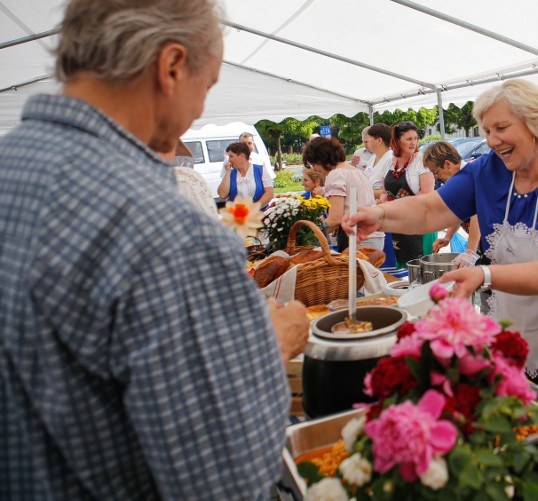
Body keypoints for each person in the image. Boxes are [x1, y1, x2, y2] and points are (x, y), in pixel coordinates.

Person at [0, 1, 309, 499]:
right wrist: (267, 350)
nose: (199, 111)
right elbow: (224, 482)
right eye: (205, 86)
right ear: (170, 67)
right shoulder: (169, 232)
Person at [344, 79, 538, 411]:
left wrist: (483, 275)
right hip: (516, 325)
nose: (492, 140)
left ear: (535, 124)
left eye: (501, 127)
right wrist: (380, 214)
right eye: (486, 130)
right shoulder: (486, 170)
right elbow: (432, 208)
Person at [303, 137, 385, 251]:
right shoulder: (356, 171)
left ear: (321, 159)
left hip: (357, 238)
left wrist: (306, 234)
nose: (314, 168)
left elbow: (334, 219)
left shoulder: (336, 174)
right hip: (372, 236)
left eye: (314, 163)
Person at [381, 121, 435, 265]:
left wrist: (399, 205)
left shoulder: (421, 161)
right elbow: (384, 191)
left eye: (415, 138)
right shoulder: (388, 162)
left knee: (421, 265)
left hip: (421, 222)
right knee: (402, 263)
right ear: (397, 141)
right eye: (408, 139)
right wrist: (383, 201)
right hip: (398, 222)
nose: (413, 143)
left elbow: (427, 193)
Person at [217, 141, 274, 208]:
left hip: (260, 214)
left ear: (242, 156)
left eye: (231, 156)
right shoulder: (230, 173)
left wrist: (253, 208)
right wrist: (228, 172)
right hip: (237, 216)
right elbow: (222, 194)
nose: (229, 160)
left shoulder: (261, 170)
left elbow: (269, 193)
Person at [362, 123, 394, 201]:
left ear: (379, 140)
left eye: (370, 137)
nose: (367, 141)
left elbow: (388, 192)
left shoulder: (391, 160)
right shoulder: (372, 159)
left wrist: (363, 192)